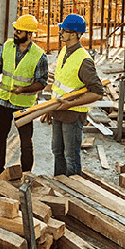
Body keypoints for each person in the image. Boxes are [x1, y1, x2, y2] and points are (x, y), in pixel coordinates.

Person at [0, 13, 48, 178]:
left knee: (26, 142)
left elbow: (42, 82)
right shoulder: (7, 46)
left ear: (29, 34)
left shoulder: (39, 56)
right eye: (15, 30)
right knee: (0, 139)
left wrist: (24, 89)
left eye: (19, 31)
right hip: (5, 101)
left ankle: (27, 173)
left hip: (24, 104)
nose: (15, 33)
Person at [45, 13, 104, 177]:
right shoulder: (64, 50)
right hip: (58, 110)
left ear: (73, 34)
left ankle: (73, 191)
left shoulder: (84, 60)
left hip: (72, 114)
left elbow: (98, 92)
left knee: (71, 156)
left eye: (63, 30)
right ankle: (59, 183)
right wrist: (52, 109)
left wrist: (70, 104)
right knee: (57, 151)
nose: (60, 32)